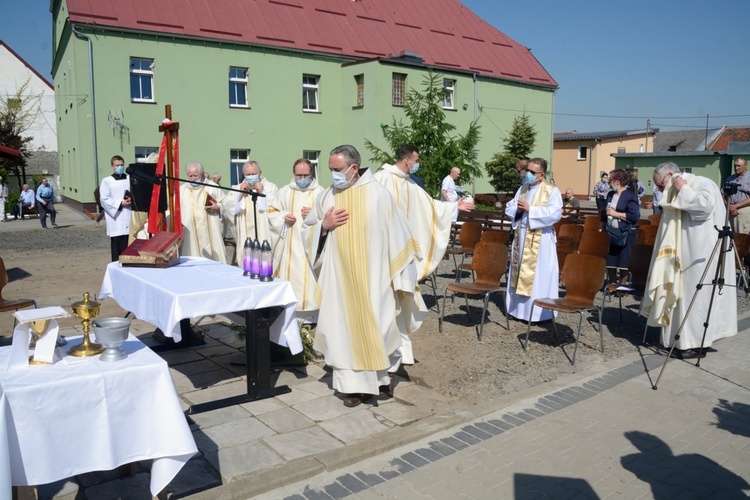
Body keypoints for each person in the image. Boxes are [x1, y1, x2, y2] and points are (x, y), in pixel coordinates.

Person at [305, 145, 422, 407]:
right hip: (340, 281)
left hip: (375, 278)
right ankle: (353, 387)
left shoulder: (378, 195)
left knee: (380, 328)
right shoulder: (327, 197)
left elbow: (398, 235)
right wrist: (323, 227)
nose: (333, 175)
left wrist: (401, 277)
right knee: (343, 332)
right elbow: (308, 229)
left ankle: (384, 378)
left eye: (337, 170)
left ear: (353, 168)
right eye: (331, 170)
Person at [374, 144, 474, 365]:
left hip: (402, 255)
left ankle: (397, 353)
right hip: (381, 254)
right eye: (416, 159)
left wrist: (454, 207)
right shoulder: (380, 179)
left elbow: (431, 206)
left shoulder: (409, 184)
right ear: (408, 160)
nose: (417, 164)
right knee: (382, 305)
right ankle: (380, 351)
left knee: (398, 304)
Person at [642, 161, 737, 358]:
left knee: (695, 297)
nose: (660, 189)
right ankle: (682, 340)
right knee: (681, 295)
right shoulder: (676, 188)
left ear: (671, 175)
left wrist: (683, 189)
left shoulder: (701, 183)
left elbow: (704, 207)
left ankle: (693, 343)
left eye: (660, 185)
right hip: (684, 253)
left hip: (700, 253)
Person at [504, 157, 562, 322]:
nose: (527, 174)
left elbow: (555, 214)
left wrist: (531, 210)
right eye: (527, 170)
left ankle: (538, 313)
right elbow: (510, 206)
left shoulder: (552, 191)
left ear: (541, 175)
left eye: (531, 172)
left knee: (538, 277)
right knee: (519, 271)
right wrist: (519, 211)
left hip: (540, 240)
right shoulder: (523, 189)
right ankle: (518, 311)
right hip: (522, 237)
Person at [268, 158, 325, 317]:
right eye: (299, 175)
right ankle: (289, 310)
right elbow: (272, 212)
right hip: (289, 245)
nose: (302, 179)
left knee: (310, 281)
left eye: (305, 175)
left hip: (312, 246)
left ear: (311, 173)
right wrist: (283, 217)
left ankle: (311, 314)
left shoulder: (320, 192)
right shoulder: (284, 191)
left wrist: (315, 214)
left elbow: (329, 216)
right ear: (293, 174)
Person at [180, 161, 226, 263]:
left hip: (210, 231)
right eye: (190, 175)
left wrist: (218, 208)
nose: (192, 178)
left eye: (195, 175)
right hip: (189, 233)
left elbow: (225, 204)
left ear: (202, 173)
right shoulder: (182, 190)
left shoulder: (213, 187)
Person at [230, 160, 279, 254]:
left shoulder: (270, 187)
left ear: (260, 173)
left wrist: (263, 193)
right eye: (248, 175)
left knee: (264, 257)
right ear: (243, 174)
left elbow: (276, 206)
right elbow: (227, 206)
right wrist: (240, 194)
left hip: (264, 230)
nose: (251, 177)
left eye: (253, 174)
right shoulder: (237, 188)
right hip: (245, 232)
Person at [602, 169, 640, 284]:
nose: (608, 181)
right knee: (610, 260)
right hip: (611, 232)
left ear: (617, 181)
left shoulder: (630, 195)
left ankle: (622, 286)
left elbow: (634, 216)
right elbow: (604, 212)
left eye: (610, 179)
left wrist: (616, 214)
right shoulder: (610, 194)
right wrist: (602, 225)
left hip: (626, 233)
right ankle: (612, 284)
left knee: (624, 261)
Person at [99, 155, 132, 261]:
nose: (120, 167)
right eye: (117, 165)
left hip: (130, 214)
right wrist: (120, 203)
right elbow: (104, 199)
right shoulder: (107, 181)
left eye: (122, 165)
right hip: (117, 218)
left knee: (131, 243)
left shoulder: (130, 178)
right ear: (112, 166)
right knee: (118, 245)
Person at [725, 157, 750, 234]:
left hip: (744, 212)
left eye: (739, 166)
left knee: (742, 239)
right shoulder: (730, 178)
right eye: (735, 165)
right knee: (730, 238)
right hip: (730, 212)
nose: (736, 168)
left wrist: (736, 206)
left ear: (746, 165)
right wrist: (730, 206)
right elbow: (723, 194)